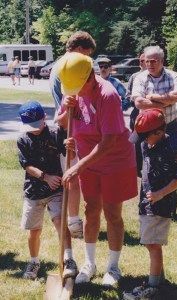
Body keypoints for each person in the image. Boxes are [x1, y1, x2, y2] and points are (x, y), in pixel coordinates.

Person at [57, 52, 138, 286]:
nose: (74, 91)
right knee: (91, 210)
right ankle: (89, 264)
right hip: (88, 161)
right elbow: (62, 122)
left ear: (90, 77)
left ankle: (113, 267)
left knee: (113, 214)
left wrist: (77, 167)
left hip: (114, 161)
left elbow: (109, 141)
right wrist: (66, 111)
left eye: (77, 87)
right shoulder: (73, 90)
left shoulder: (108, 95)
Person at [123, 109, 177, 300]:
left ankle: (152, 288)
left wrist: (159, 194)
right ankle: (159, 280)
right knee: (151, 243)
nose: (142, 140)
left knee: (153, 245)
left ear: (158, 133)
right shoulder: (146, 145)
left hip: (160, 205)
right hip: (147, 203)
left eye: (145, 136)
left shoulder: (167, 150)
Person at [17, 101, 78, 280]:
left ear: (44, 118)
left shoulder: (55, 133)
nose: (34, 129)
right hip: (34, 190)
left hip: (55, 190)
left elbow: (70, 156)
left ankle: (68, 259)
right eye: (31, 126)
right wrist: (46, 177)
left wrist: (71, 148)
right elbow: (27, 166)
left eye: (37, 125)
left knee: (60, 222)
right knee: (34, 230)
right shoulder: (23, 139)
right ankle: (34, 261)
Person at [50, 31, 96, 238]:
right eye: (87, 55)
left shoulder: (58, 64)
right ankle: (74, 223)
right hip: (69, 126)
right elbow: (68, 106)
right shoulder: (68, 68)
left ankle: (73, 221)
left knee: (72, 176)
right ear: (79, 50)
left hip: (67, 124)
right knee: (73, 177)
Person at [132, 46, 177, 158]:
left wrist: (152, 96)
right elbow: (139, 102)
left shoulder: (174, 76)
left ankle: (170, 175)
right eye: (147, 61)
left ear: (162, 61)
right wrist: (166, 102)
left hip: (169, 124)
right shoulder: (140, 78)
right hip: (146, 125)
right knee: (144, 157)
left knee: (172, 152)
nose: (149, 64)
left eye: (153, 61)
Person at [126, 53, 146, 177]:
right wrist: (136, 99)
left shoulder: (153, 75)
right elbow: (128, 95)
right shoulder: (134, 76)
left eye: (143, 60)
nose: (141, 62)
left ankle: (148, 165)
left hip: (149, 112)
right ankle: (137, 167)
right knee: (136, 140)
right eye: (140, 60)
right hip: (136, 112)